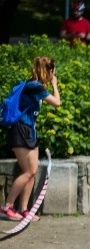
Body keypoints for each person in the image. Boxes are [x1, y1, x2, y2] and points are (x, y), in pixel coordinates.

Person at [0, 57, 60, 222]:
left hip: (29, 131)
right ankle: (7, 206)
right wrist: (54, 84)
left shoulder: (35, 86)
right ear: (49, 71)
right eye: (53, 72)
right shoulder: (34, 86)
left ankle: (24, 209)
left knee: (32, 172)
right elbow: (57, 103)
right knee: (28, 172)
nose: (53, 75)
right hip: (21, 130)